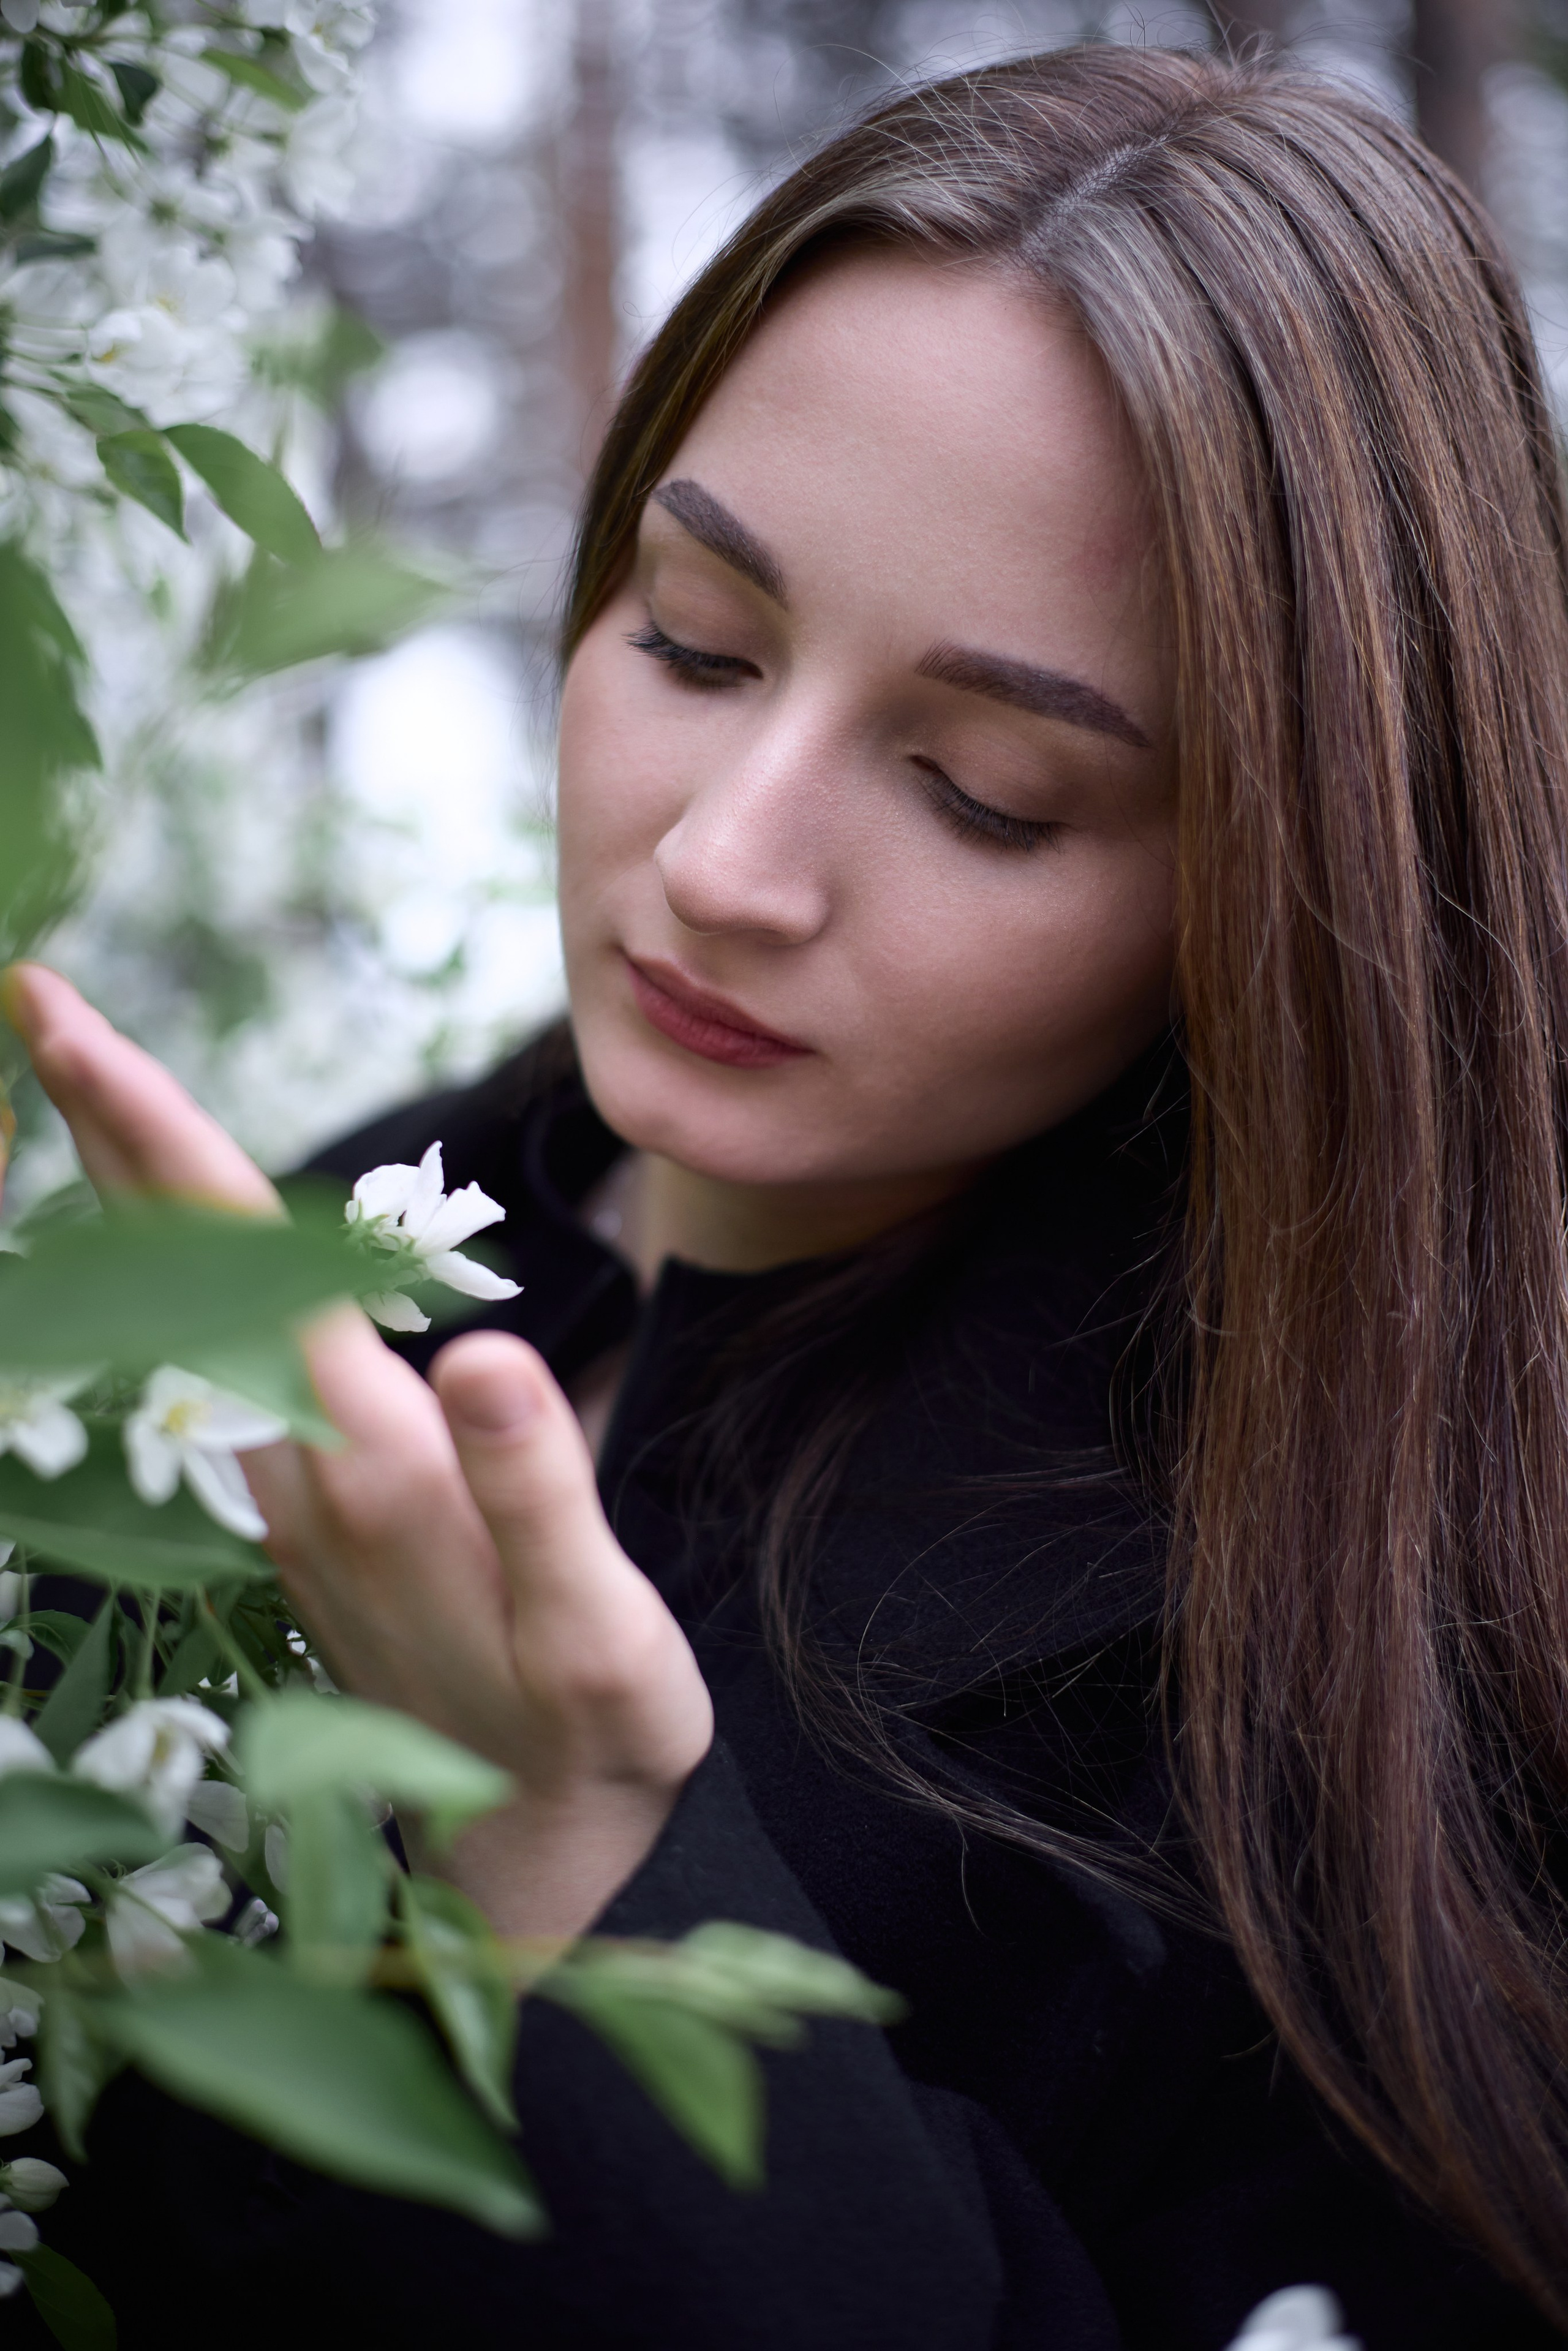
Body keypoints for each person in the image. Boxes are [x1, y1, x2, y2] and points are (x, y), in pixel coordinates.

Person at [9, 40, 1568, 2350]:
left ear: (1283, 883)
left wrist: (578, 1850)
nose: (726, 865)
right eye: (694, 639)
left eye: (987, 788)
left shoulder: (1362, 1688)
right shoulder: (342, 1248)